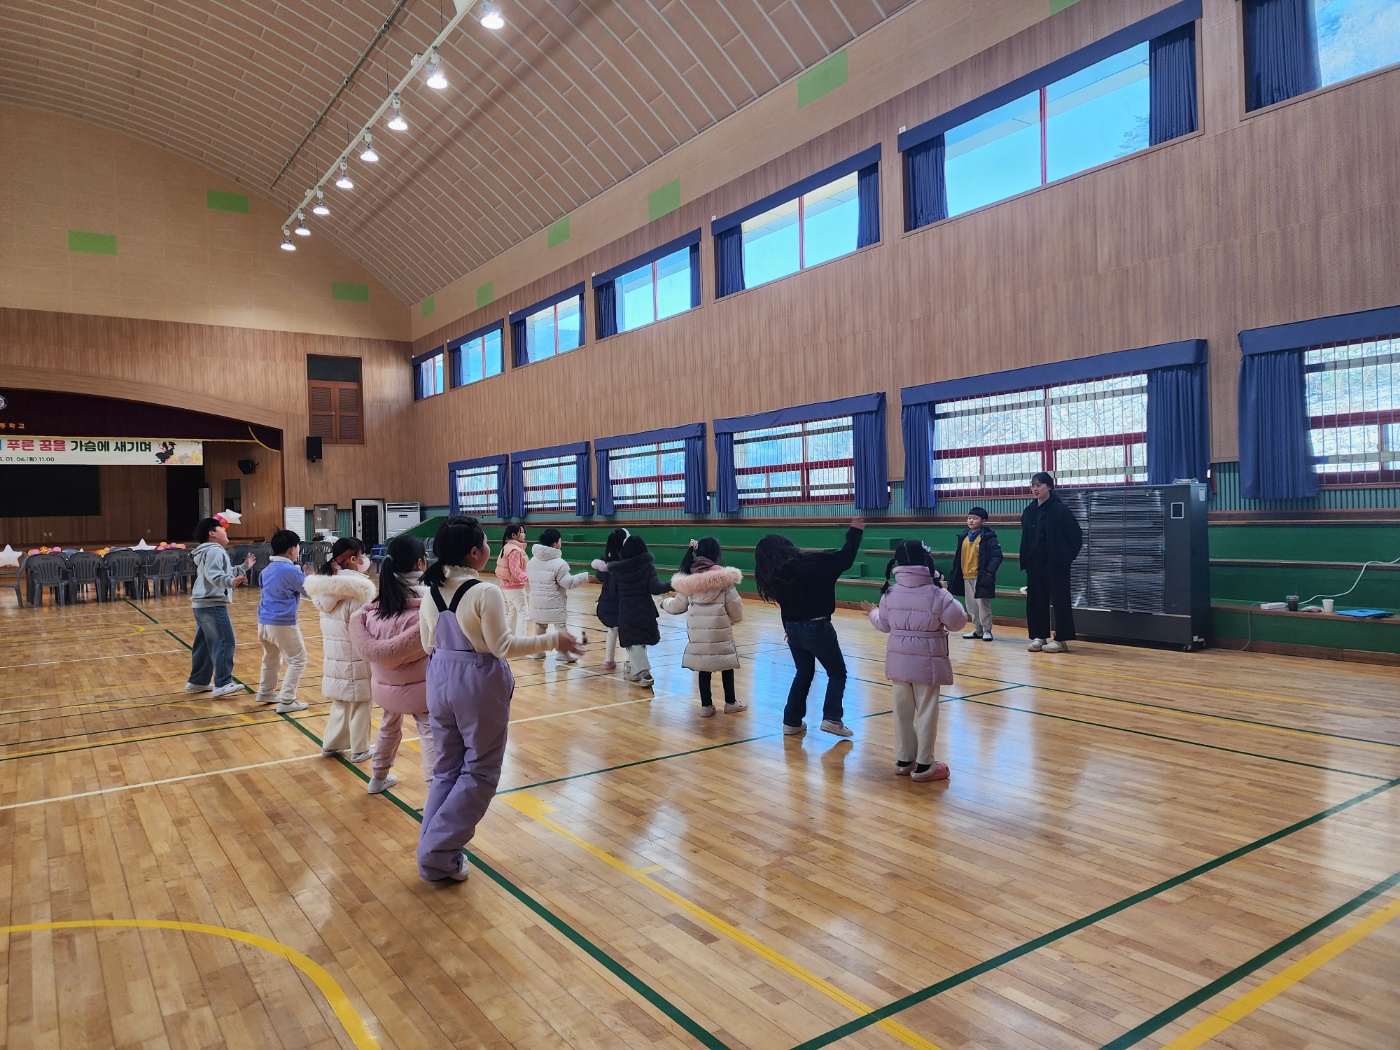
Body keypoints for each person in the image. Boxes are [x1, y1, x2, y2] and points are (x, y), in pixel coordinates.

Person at [416, 517, 583, 883]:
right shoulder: (483, 592)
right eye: (486, 544)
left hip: (438, 679)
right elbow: (502, 647)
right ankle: (437, 854)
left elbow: (428, 644)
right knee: (480, 771)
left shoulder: (429, 590)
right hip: (474, 684)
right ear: (474, 553)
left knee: (446, 768)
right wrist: (554, 640)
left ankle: (435, 846)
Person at [754, 518, 865, 738]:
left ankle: (792, 721)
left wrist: (790, 627)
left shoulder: (774, 575)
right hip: (817, 626)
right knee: (837, 672)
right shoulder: (815, 562)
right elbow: (845, 558)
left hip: (792, 629)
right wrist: (855, 532)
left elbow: (788, 606)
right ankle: (832, 718)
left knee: (803, 673)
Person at [865, 541, 965, 781]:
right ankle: (925, 765)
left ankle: (903, 759)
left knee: (901, 711)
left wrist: (872, 612)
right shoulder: (938, 593)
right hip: (927, 660)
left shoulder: (890, 593)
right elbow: (958, 622)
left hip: (898, 661)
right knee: (927, 711)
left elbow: (884, 624)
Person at [349, 534, 437, 794]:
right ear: (421, 563)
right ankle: (437, 792)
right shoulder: (430, 606)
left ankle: (377, 779)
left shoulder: (374, 609)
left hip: (385, 691)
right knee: (431, 737)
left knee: (388, 727)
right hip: (423, 693)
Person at [304, 537, 378, 760]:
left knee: (342, 700)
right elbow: (365, 627)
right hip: (355, 654)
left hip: (335, 654)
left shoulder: (327, 588)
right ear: (354, 559)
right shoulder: (359, 590)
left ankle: (332, 743)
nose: (366, 559)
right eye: (363, 555)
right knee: (362, 701)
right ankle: (360, 748)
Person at [661, 538, 745, 716]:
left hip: (698, 634)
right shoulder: (724, 578)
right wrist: (736, 619)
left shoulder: (688, 580)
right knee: (726, 664)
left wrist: (663, 602)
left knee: (703, 667)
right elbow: (735, 607)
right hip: (720, 632)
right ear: (716, 555)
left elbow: (677, 606)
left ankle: (706, 706)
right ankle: (730, 702)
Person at [186, 516, 256, 699]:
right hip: (212, 604)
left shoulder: (207, 551)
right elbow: (215, 575)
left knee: (205, 644)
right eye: (222, 529)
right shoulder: (215, 551)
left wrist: (243, 568)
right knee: (225, 641)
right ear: (212, 534)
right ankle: (223, 683)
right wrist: (231, 582)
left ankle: (198, 681)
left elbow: (221, 573)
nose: (226, 532)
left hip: (201, 604)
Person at [1020, 472, 1084, 653]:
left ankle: (1061, 639)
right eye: (1033, 485)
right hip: (1035, 564)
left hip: (1056, 565)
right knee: (1036, 601)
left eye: (1039, 485)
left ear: (1049, 486)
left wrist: (1064, 559)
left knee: (1060, 602)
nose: (1035, 488)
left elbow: (1076, 537)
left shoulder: (1060, 510)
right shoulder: (1029, 511)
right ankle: (1039, 636)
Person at [253, 529, 310, 714]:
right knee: (298, 659)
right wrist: (310, 576)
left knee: (271, 658)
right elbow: (309, 591)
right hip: (282, 623)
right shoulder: (291, 570)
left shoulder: (267, 570)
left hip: (264, 622)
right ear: (292, 549)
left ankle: (266, 692)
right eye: (298, 547)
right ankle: (287, 700)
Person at [611, 534, 671, 689]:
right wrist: (672, 584)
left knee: (632, 642)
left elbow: (613, 592)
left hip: (626, 610)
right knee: (641, 640)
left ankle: (644, 673)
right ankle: (638, 672)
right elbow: (655, 588)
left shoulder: (618, 569)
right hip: (645, 608)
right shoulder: (647, 567)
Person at [526, 527, 590, 663]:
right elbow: (569, 583)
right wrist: (584, 577)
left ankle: (538, 651)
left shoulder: (531, 562)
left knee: (539, 627)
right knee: (560, 628)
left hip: (536, 602)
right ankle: (562, 653)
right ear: (555, 544)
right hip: (554, 603)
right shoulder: (560, 564)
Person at [947, 507, 1003, 642]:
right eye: (969, 518)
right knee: (971, 606)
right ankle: (977, 629)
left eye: (975, 518)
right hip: (966, 575)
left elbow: (997, 556)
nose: (971, 520)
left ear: (983, 521)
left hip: (981, 576)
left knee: (983, 605)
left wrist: (989, 572)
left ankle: (987, 630)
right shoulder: (963, 536)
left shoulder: (988, 537)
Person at [590, 528, 628, 671]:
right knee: (628, 632)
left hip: (607, 602)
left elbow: (599, 577)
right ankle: (630, 663)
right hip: (623, 602)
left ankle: (608, 661)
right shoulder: (627, 562)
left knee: (612, 631)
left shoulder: (604, 561)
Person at [496, 524, 530, 636]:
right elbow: (515, 570)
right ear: (514, 535)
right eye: (522, 532)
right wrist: (529, 579)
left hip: (507, 586)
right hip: (514, 587)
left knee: (513, 611)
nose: (524, 534)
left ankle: (507, 636)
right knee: (523, 612)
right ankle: (521, 640)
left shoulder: (507, 547)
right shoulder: (515, 550)